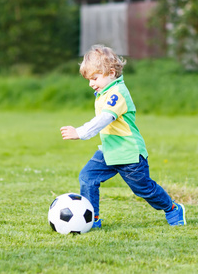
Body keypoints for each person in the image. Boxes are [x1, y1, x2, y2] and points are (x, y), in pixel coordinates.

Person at [60, 44, 186, 228]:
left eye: (94, 78)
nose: (90, 83)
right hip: (109, 151)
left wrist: (80, 132)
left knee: (144, 189)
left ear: (111, 73)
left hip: (128, 154)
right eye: (89, 79)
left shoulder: (117, 94)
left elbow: (105, 118)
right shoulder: (104, 92)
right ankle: (92, 219)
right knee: (87, 177)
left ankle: (173, 208)